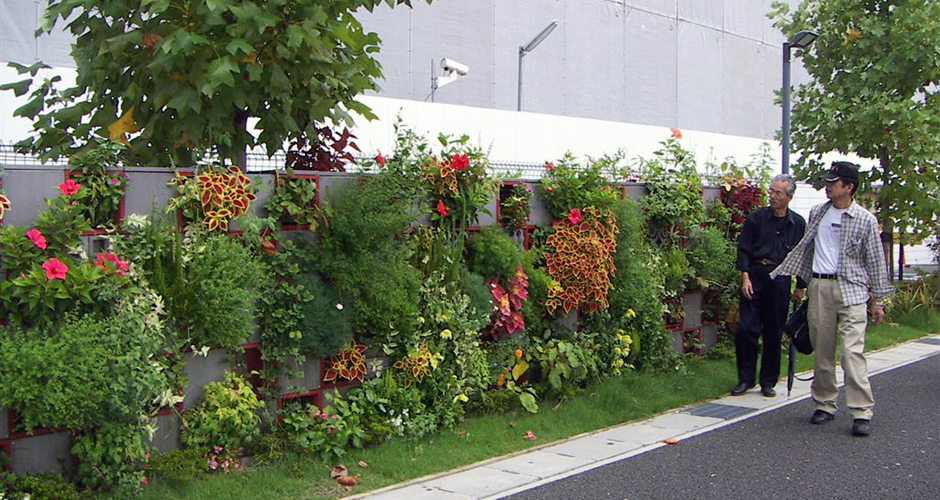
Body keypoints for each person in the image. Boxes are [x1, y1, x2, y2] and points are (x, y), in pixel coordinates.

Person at [771, 161, 893, 437]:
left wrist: (879, 301)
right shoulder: (817, 212)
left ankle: (861, 411)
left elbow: (875, 261)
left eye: (833, 182)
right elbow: (806, 250)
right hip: (820, 286)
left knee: (852, 353)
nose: (827, 186)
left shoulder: (865, 220)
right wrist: (802, 284)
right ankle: (824, 403)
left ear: (848, 187)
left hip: (852, 290)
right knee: (822, 350)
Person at [731, 174, 806, 398]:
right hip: (755, 274)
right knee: (747, 329)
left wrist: (800, 286)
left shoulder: (798, 223)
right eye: (771, 191)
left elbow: (803, 256)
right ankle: (745, 379)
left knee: (774, 330)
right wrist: (745, 277)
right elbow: (743, 248)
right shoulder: (756, 219)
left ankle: (768, 381)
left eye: (778, 193)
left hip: (781, 277)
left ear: (789, 197)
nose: (772, 196)